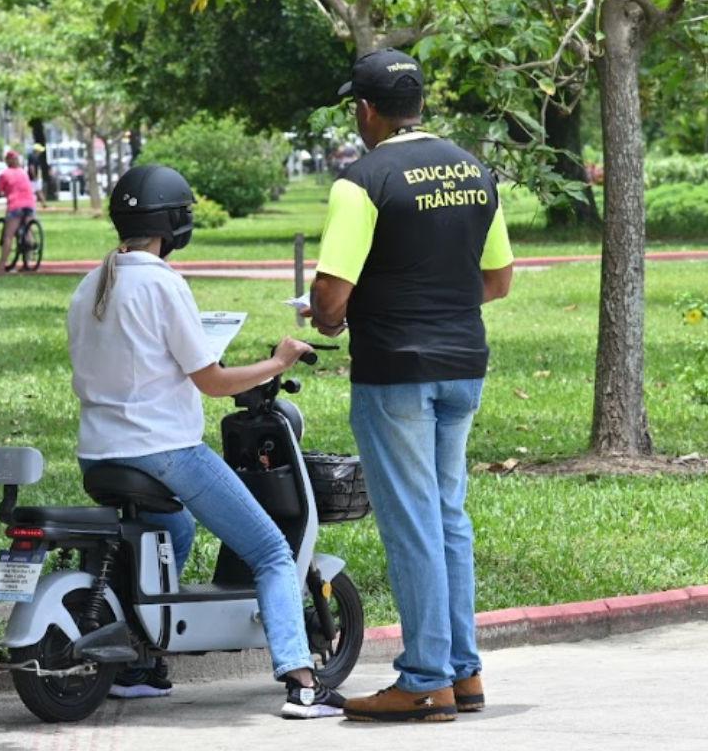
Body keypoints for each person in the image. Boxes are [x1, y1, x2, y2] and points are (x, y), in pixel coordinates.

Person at [67, 164, 346, 718]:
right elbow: (212, 382)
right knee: (270, 550)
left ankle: (139, 663)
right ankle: (302, 682)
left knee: (172, 528)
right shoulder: (163, 283)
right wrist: (278, 360)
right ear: (174, 224)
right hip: (164, 451)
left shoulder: (92, 282)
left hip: (100, 453)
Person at [307, 48, 514, 723]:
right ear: (417, 105)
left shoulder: (361, 181)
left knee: (413, 524)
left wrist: (331, 318)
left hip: (395, 370)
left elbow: (332, 297)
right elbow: (496, 280)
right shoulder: (474, 170)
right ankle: (464, 671)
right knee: (449, 516)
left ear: (365, 111)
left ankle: (424, 679)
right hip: (464, 366)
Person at [0, 150, 36, 273]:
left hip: (15, 206)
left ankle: (1, 267)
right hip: (30, 204)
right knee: (28, 231)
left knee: (8, 236)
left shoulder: (4, 174)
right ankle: (28, 262)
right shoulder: (23, 173)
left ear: (7, 161)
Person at [27, 143, 47, 207]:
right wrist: (34, 176)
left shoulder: (34, 157)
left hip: (35, 177)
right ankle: (42, 204)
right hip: (34, 178)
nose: (40, 152)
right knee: (36, 191)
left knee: (36, 191)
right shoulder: (33, 157)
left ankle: (42, 204)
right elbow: (32, 167)